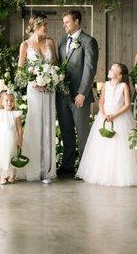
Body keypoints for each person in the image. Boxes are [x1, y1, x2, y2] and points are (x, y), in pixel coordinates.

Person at [76, 63, 137, 186]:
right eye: (111, 67)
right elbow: (101, 102)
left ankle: (119, 176)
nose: (110, 69)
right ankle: (101, 174)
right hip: (105, 116)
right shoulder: (105, 85)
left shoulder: (124, 86)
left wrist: (115, 115)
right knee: (102, 145)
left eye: (114, 69)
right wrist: (104, 113)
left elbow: (127, 105)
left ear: (120, 75)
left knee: (120, 146)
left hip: (120, 116)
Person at [56, 10, 99, 176]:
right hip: (62, 96)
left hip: (79, 96)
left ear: (77, 22)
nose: (64, 25)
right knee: (66, 132)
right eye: (64, 22)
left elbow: (89, 70)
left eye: (67, 22)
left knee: (82, 134)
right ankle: (67, 166)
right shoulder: (62, 42)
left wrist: (82, 93)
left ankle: (84, 169)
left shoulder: (89, 42)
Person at [17, 14, 58, 182]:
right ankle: (34, 169)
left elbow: (56, 64)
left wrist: (53, 78)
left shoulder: (50, 43)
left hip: (49, 89)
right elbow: (20, 70)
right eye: (44, 25)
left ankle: (47, 170)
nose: (46, 28)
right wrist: (34, 82)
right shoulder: (25, 45)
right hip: (34, 89)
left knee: (48, 125)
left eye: (47, 25)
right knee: (35, 124)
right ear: (35, 26)